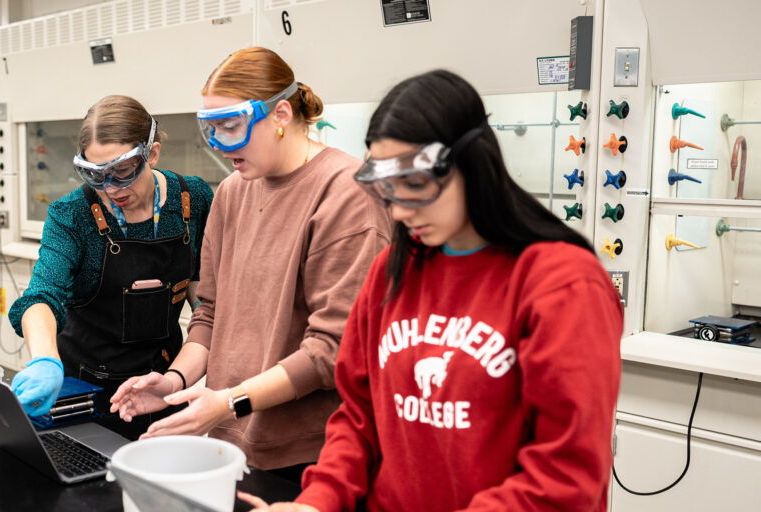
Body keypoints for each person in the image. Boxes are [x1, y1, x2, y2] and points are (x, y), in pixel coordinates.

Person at [240, 70, 623, 512]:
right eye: (388, 189)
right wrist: (318, 500)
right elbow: (358, 418)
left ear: (472, 163)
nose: (399, 210)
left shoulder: (562, 283)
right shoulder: (395, 270)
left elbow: (565, 474)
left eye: (416, 185)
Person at [109, 47, 391, 481]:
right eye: (211, 131)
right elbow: (210, 313)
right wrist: (174, 382)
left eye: (231, 127)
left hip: (310, 456)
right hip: (230, 442)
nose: (220, 146)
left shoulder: (345, 195)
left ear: (280, 114)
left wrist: (229, 401)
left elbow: (332, 351)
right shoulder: (232, 193)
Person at [8, 95, 214, 440]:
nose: (110, 188)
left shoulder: (192, 200)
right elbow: (42, 295)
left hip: (163, 386)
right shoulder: (71, 214)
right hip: (85, 391)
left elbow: (207, 307)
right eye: (95, 175)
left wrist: (177, 379)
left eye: (121, 171)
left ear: (152, 154)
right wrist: (44, 359)